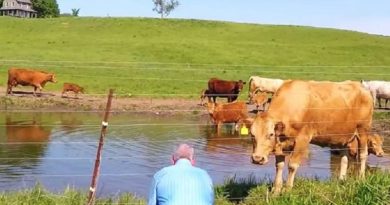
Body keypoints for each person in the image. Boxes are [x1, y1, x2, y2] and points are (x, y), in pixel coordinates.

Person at [148, 143, 214, 205]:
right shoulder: (205, 176)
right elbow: (210, 201)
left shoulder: (160, 175)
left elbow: (152, 203)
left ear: (172, 159)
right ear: (193, 161)